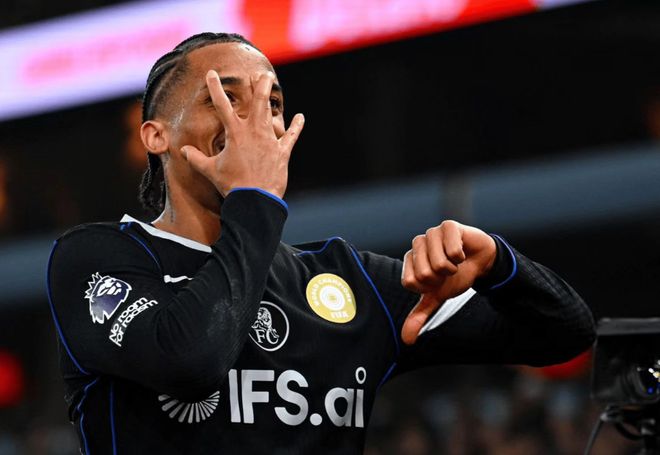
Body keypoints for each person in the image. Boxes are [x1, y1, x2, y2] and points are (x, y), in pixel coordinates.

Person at [46, 32, 595, 454]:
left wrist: (498, 264)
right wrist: (254, 199)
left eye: (272, 104)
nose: (254, 121)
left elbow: (563, 333)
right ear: (156, 135)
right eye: (225, 98)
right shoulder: (97, 260)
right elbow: (189, 361)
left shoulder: (350, 281)